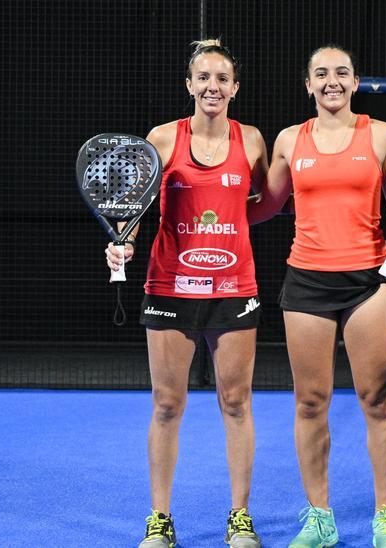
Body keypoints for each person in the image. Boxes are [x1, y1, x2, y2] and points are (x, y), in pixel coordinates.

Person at [248, 44, 386, 548]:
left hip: (369, 284)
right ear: (308, 84)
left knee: (377, 400)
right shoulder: (290, 140)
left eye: (341, 73)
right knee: (310, 402)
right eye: (321, 73)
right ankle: (319, 518)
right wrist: (206, 211)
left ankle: (385, 517)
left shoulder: (382, 135)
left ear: (356, 81)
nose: (331, 81)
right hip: (306, 280)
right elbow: (266, 205)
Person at [106, 39, 270, 548]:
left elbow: (264, 200)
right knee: (167, 404)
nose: (212, 87)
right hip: (170, 286)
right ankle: (160, 520)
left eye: (222, 79)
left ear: (235, 89)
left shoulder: (254, 142)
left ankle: (239, 518)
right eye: (203, 78)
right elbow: (131, 208)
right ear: (189, 85)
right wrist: (123, 245)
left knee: (236, 402)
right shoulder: (160, 139)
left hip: (234, 285)